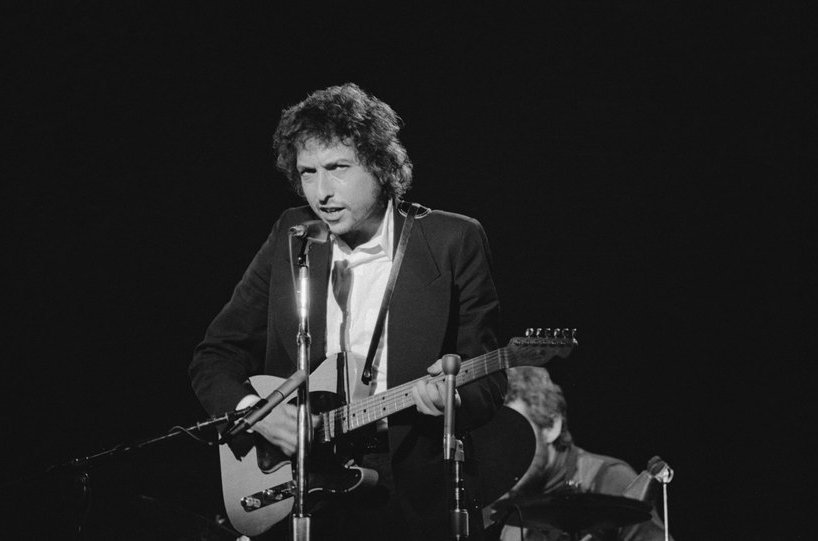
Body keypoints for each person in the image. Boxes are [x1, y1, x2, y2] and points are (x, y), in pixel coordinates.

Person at [189, 83, 506, 540]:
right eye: (308, 172)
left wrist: (453, 400)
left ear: (380, 165)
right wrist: (254, 412)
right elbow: (213, 356)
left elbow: (491, 380)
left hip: (413, 494)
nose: (321, 191)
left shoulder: (453, 240)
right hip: (303, 483)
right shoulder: (291, 235)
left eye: (338, 168)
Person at [485, 367, 672, 541]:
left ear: (551, 426)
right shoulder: (506, 504)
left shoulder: (608, 478)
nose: (505, 453)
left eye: (517, 436)